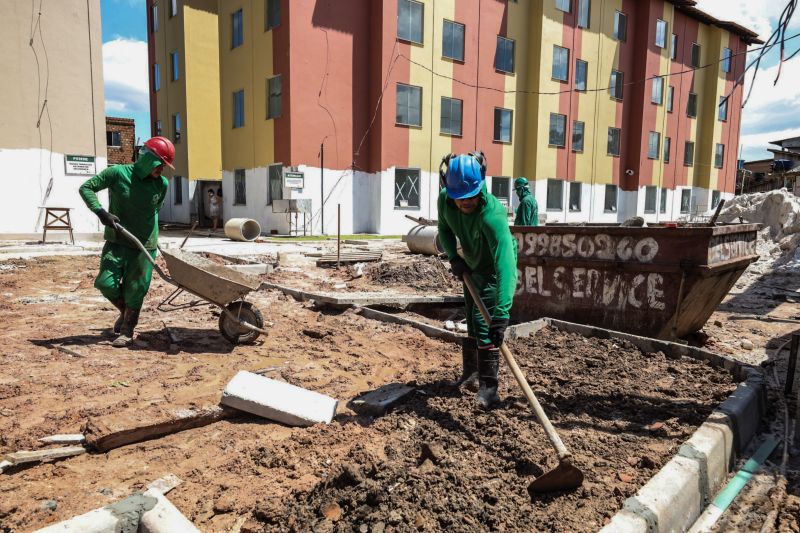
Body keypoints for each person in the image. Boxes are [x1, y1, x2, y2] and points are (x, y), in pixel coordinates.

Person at [437, 152, 518, 408]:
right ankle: (471, 375)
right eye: (459, 197)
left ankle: (489, 389)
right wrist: (454, 258)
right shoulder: (446, 200)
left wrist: (502, 313)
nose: (466, 201)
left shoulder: (492, 215)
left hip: (492, 271)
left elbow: (507, 265)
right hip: (470, 267)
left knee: (487, 329)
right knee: (472, 321)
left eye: (471, 195)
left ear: (481, 184)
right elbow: (445, 230)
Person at [79, 136, 173, 347]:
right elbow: (86, 188)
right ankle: (125, 310)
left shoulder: (161, 184)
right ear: (148, 159)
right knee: (105, 282)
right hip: (117, 240)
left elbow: (155, 210)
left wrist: (149, 233)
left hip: (144, 245)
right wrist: (101, 212)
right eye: (160, 164)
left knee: (136, 289)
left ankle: (128, 330)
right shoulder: (117, 173)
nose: (162, 170)